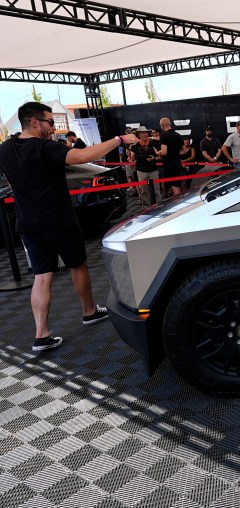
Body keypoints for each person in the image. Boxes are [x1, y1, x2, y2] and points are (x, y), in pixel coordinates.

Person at [0, 102, 137, 352]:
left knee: (42, 277)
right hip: (58, 220)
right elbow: (85, 156)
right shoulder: (45, 148)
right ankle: (89, 311)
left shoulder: (5, 149)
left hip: (28, 223)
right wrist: (119, 139)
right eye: (50, 122)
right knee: (78, 265)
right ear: (34, 122)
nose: (54, 128)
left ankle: (41, 335)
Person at [127, 126, 161, 206]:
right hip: (141, 170)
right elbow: (132, 157)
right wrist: (132, 158)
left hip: (153, 170)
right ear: (139, 135)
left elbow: (161, 156)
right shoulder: (135, 145)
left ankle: (159, 206)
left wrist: (155, 158)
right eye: (143, 133)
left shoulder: (154, 143)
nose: (145, 134)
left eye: (146, 132)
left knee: (156, 190)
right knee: (144, 190)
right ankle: (147, 208)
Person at [157, 117, 183, 196]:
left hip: (169, 165)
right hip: (178, 163)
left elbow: (164, 152)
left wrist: (158, 152)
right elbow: (184, 151)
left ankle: (178, 205)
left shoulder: (163, 135)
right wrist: (174, 152)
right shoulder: (178, 135)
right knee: (178, 185)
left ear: (163, 125)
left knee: (174, 186)